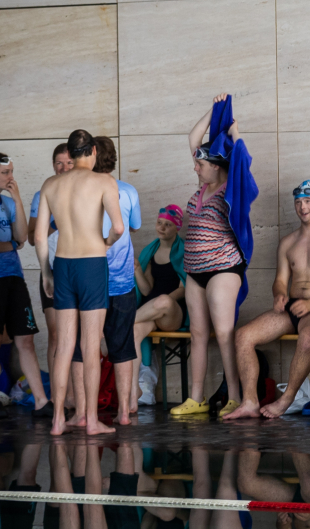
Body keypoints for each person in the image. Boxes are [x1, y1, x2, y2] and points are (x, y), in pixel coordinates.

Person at [225, 180, 310, 420]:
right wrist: (279, 294)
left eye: (308, 201)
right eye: (298, 202)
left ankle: (286, 399)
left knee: (308, 337)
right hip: (292, 307)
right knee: (243, 336)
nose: (303, 207)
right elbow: (280, 280)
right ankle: (250, 401)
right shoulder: (288, 242)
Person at [34, 130, 126, 436]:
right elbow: (118, 227)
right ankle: (92, 420)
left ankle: (58, 419)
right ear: (94, 150)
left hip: (62, 265)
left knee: (63, 347)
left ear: (70, 153)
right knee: (90, 346)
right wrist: (106, 242)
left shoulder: (51, 184)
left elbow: (40, 237)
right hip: (91, 265)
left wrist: (46, 273)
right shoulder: (104, 182)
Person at [171, 94, 257, 417]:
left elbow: (243, 161)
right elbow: (193, 138)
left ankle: (234, 396)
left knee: (223, 333)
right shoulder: (202, 186)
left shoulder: (231, 187)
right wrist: (214, 109)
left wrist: (235, 131)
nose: (195, 167)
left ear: (217, 166)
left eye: (201, 164)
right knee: (197, 334)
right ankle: (196, 398)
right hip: (195, 271)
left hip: (223, 268)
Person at [0, 151, 54, 421]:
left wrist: (17, 200)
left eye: (12, 171)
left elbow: (23, 236)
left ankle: (41, 401)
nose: (10, 177)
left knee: (25, 340)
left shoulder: (8, 202)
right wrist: (13, 245)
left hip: (15, 278)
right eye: (5, 172)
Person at [82, 136, 142, 428]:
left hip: (90, 281)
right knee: (123, 345)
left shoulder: (83, 190)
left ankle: (85, 412)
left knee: (87, 346)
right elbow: (133, 226)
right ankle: (125, 411)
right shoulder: (128, 190)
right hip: (122, 281)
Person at [131, 205, 187, 413]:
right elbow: (146, 290)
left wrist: (163, 303)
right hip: (152, 310)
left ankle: (118, 324)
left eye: (168, 225)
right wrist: (138, 270)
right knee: (134, 332)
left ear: (177, 228)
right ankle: (134, 389)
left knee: (162, 301)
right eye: (159, 223)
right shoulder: (151, 251)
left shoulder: (184, 251)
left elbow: (184, 289)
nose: (162, 228)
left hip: (173, 313)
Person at [28, 143, 72, 392]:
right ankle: (57, 395)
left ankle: (76, 396)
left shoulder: (85, 190)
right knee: (56, 334)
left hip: (79, 269)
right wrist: (56, 222)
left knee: (78, 335)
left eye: (69, 162)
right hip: (52, 270)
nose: (63, 168)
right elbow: (31, 236)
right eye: (59, 163)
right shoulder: (42, 194)